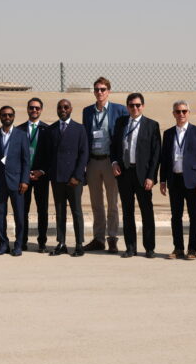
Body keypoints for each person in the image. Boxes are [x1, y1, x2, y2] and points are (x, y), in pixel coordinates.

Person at [111, 93, 160, 258]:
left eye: (138, 105)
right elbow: (114, 146)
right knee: (127, 211)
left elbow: (155, 154)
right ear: (127, 107)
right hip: (124, 172)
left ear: (143, 106)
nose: (135, 108)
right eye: (131, 105)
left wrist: (151, 177)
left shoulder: (152, 125)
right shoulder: (121, 123)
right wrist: (114, 162)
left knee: (147, 211)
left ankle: (149, 248)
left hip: (143, 175)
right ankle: (130, 247)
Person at [82, 77, 128, 252]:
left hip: (111, 161)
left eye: (102, 89)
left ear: (108, 91)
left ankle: (112, 238)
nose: (99, 92)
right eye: (96, 89)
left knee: (112, 202)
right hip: (93, 161)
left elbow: (123, 136)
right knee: (96, 203)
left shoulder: (119, 110)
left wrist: (120, 161)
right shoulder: (87, 111)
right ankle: (98, 238)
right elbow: (86, 137)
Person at [159, 100, 196, 259]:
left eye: (184, 111)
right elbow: (164, 158)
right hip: (175, 179)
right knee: (176, 216)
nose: (181, 114)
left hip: (192, 180)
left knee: (194, 216)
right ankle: (178, 248)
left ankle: (192, 249)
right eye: (178, 111)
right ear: (173, 113)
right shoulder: (168, 133)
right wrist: (162, 180)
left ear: (189, 112)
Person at [46, 99, 89, 256]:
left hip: (74, 179)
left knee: (76, 211)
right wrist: (51, 173)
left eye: (65, 107)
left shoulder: (79, 129)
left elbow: (84, 154)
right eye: (60, 107)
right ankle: (61, 242)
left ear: (71, 109)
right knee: (59, 211)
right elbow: (48, 155)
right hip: (57, 178)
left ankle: (79, 244)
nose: (63, 109)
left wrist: (77, 176)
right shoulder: (51, 130)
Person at [0, 106, 31, 255]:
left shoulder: (21, 135)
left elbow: (26, 160)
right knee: (0, 215)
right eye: (4, 115)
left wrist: (25, 180)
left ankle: (18, 245)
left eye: (10, 115)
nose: (7, 117)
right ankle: (3, 244)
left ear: (14, 116)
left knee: (19, 215)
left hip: (17, 182)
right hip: (0, 182)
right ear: (0, 116)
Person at [18, 97, 52, 253]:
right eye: (31, 108)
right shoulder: (19, 130)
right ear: (27, 109)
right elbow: (14, 154)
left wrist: (42, 171)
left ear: (41, 110)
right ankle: (22, 241)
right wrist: (24, 172)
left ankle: (42, 242)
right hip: (23, 176)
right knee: (22, 210)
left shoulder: (47, 130)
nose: (34, 110)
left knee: (42, 210)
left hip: (41, 176)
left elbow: (50, 155)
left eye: (37, 108)